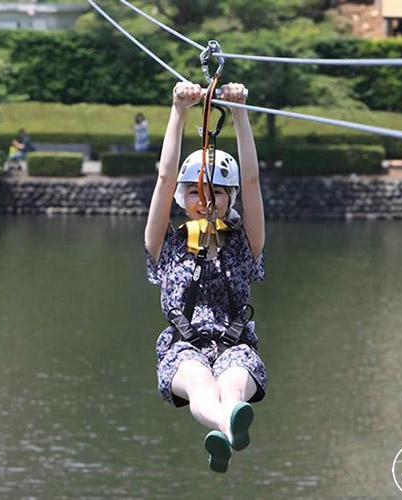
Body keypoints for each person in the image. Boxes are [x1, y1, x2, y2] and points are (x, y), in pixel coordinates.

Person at [144, 81, 266, 474]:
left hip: (236, 345)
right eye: (197, 192)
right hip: (183, 347)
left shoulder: (243, 245)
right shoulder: (166, 245)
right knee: (200, 384)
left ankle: (228, 425)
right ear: (185, 197)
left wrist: (240, 112)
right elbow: (163, 179)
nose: (207, 199)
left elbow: (252, 182)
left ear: (229, 198)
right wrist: (178, 111)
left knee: (230, 387)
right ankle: (225, 428)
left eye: (217, 191)